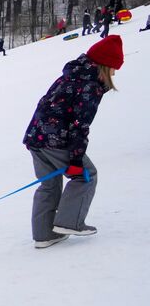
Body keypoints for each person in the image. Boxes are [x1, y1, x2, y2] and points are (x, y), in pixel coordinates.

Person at [23, 35, 121, 248]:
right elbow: (79, 125)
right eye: (113, 68)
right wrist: (76, 161)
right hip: (56, 140)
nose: (114, 73)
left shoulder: (72, 75)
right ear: (105, 66)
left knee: (48, 184)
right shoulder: (90, 86)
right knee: (87, 175)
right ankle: (70, 222)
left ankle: (44, 235)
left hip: (35, 137)